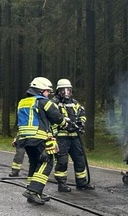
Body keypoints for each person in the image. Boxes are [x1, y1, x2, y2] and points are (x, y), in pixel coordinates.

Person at [16, 76, 67, 205]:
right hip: (38, 137)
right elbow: (56, 116)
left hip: (24, 139)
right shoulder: (43, 102)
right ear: (40, 90)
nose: (48, 94)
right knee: (47, 162)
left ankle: (33, 191)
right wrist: (66, 124)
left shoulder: (22, 102)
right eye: (47, 91)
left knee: (34, 163)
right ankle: (33, 191)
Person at [52, 78, 94, 191]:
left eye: (68, 90)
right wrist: (65, 124)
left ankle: (81, 182)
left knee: (80, 159)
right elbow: (54, 118)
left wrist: (81, 123)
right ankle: (62, 184)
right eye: (63, 91)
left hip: (75, 137)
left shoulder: (75, 103)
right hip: (61, 137)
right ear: (58, 91)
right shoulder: (54, 103)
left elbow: (82, 114)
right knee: (62, 161)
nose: (66, 93)